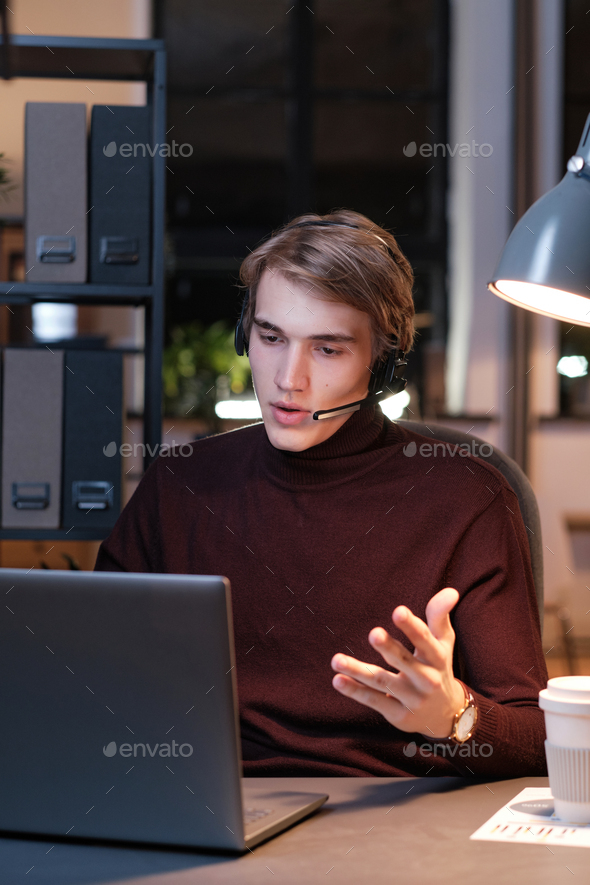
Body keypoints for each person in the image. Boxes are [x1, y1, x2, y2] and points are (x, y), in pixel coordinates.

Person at [95, 209, 548, 778]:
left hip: (391, 820)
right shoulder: (182, 483)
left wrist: (453, 715)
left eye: (328, 349)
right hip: (215, 803)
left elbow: (537, 736)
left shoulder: (466, 499)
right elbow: (96, 676)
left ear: (382, 364)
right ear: (246, 334)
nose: (289, 378)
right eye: (271, 337)